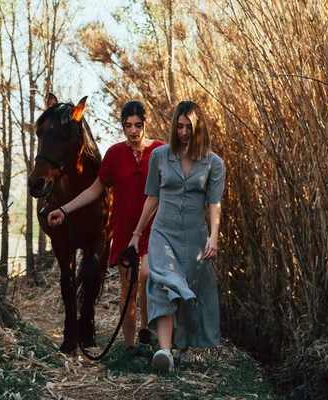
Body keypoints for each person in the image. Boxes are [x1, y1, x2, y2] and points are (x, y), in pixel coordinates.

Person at [47, 100, 164, 350]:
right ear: (122, 126)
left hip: (155, 227)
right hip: (124, 228)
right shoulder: (114, 153)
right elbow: (94, 190)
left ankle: (146, 328)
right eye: (128, 125)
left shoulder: (161, 151)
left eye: (138, 125)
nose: (133, 130)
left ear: (145, 124)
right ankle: (131, 347)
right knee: (128, 287)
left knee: (148, 276)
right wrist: (63, 210)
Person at [129, 100, 226, 372]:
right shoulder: (160, 156)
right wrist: (137, 233)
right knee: (162, 283)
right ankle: (164, 352)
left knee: (186, 290)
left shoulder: (214, 163)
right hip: (163, 233)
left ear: (198, 128)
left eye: (189, 127)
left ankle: (181, 349)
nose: (183, 132)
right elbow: (151, 198)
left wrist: (214, 237)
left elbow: (214, 204)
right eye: (179, 126)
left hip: (195, 237)